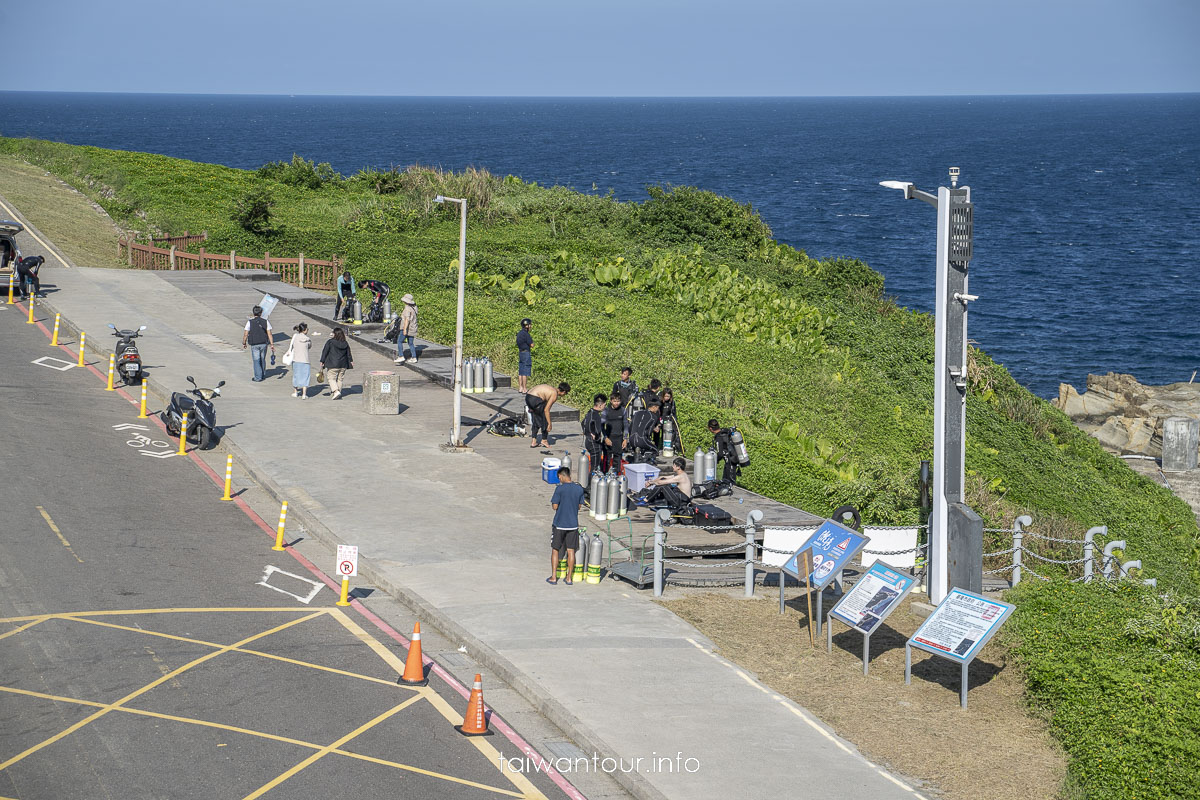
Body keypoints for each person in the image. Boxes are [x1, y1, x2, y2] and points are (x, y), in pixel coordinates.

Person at [548, 466, 586, 585]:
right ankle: (569, 578)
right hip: (573, 525)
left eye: (559, 477)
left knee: (555, 550)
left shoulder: (560, 489)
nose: (559, 479)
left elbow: (555, 506)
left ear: (562, 476)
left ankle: (554, 577)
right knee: (571, 551)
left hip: (559, 524)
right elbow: (579, 506)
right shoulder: (579, 489)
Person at [525, 382, 570, 449]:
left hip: (528, 397)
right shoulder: (554, 394)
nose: (565, 395)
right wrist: (549, 423)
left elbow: (543, 401)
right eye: (566, 393)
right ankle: (544, 440)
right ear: (563, 392)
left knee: (536, 419)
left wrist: (531, 406)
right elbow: (546, 410)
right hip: (535, 398)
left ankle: (534, 442)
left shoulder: (551, 389)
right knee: (545, 420)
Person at [241, 305, 276, 382]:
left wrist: (244, 342)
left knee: (256, 360)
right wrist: (272, 344)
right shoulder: (266, 322)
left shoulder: (249, 322)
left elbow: (246, 334)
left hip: (254, 344)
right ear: (261, 313)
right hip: (264, 343)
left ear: (253, 313)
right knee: (262, 359)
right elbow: (269, 334)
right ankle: (263, 374)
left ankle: (258, 377)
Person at [320, 327, 354, 400]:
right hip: (343, 364)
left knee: (331, 378)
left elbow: (325, 352)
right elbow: (348, 353)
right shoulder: (345, 343)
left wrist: (322, 361)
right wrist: (351, 361)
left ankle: (336, 391)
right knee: (340, 379)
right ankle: (338, 392)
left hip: (333, 364)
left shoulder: (330, 342)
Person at [708, 418, 743, 483]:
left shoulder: (719, 437)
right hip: (733, 458)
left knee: (729, 482)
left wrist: (714, 461)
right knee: (726, 480)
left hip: (730, 461)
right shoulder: (725, 431)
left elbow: (720, 454)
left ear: (710, 428)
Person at [628, 399, 662, 464]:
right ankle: (647, 459)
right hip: (641, 439)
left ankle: (637, 453)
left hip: (631, 439)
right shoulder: (653, 416)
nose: (657, 410)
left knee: (641, 444)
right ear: (654, 407)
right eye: (657, 408)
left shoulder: (637, 413)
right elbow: (648, 432)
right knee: (655, 450)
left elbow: (631, 427)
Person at [600, 392, 627, 472]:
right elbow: (601, 425)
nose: (616, 403)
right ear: (611, 401)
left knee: (617, 460)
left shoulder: (623, 410)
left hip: (619, 438)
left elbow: (626, 424)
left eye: (618, 401)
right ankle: (604, 476)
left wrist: (625, 438)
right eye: (614, 401)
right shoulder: (606, 410)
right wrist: (605, 438)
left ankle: (616, 478)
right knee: (606, 460)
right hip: (609, 438)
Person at [581, 393, 607, 472]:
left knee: (593, 465)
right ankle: (591, 483)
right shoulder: (596, 416)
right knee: (595, 467)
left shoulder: (589, 412)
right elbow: (597, 430)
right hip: (594, 444)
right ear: (600, 405)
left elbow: (583, 423)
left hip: (588, 441)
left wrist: (586, 432)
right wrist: (596, 437)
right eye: (604, 405)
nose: (605, 407)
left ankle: (590, 481)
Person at [287, 322, 312, 398]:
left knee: (296, 376)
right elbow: (309, 347)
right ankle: (304, 394)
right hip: (305, 360)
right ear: (304, 330)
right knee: (305, 377)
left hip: (296, 360)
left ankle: (295, 392)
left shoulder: (295, 337)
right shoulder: (308, 340)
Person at [395, 293, 418, 364]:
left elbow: (407, 320)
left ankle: (401, 356)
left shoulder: (407, 308)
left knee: (399, 341)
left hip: (407, 328)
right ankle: (414, 357)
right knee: (411, 343)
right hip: (413, 327)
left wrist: (404, 329)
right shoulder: (414, 307)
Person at [516, 318, 533, 393]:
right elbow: (532, 345)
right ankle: (525, 388)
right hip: (526, 353)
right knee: (525, 371)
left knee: (521, 371)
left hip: (521, 352)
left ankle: (520, 387)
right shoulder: (526, 334)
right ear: (526, 326)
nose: (530, 326)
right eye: (530, 325)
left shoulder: (519, 333)